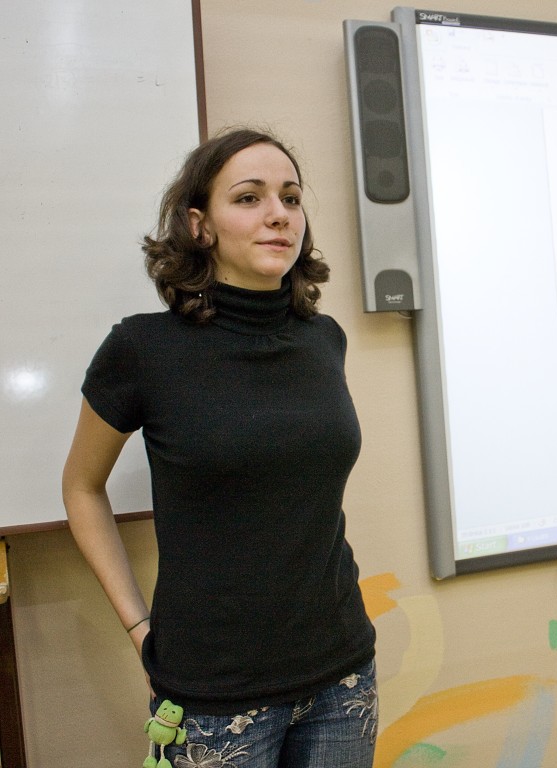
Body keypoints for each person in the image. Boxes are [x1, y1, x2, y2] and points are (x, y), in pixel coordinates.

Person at [62, 127, 377, 768]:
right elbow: (81, 487)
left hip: (343, 674)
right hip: (212, 696)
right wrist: (138, 626)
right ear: (199, 225)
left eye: (291, 198)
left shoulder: (324, 339)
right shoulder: (142, 349)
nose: (278, 214)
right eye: (249, 197)